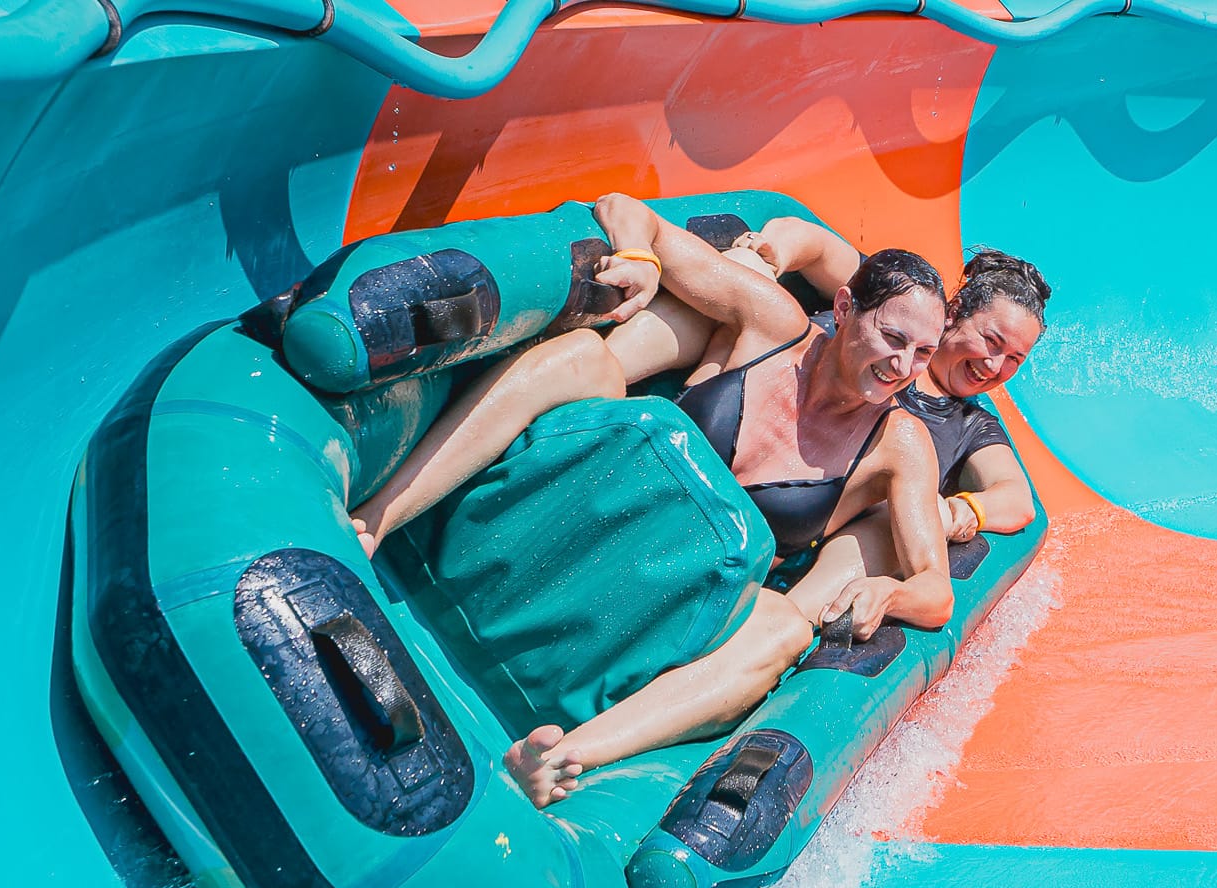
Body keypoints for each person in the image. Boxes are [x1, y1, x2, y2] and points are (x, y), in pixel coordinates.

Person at [348, 193, 954, 807]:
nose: (903, 364)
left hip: (661, 609)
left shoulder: (899, 445)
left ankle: (560, 756)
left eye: (923, 353)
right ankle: (378, 517)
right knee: (584, 358)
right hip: (572, 512)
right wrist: (640, 258)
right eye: (892, 336)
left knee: (782, 628)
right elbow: (623, 209)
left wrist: (893, 590)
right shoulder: (770, 321)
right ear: (846, 308)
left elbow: (937, 590)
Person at [720, 221, 1049, 596]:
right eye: (992, 341)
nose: (994, 365)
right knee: (748, 292)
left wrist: (955, 512)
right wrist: (769, 254)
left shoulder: (969, 425)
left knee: (888, 519)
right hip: (746, 444)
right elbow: (814, 244)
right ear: (953, 312)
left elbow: (1018, 499)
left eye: (1014, 359)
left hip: (797, 534)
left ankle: (794, 611)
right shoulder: (899, 304)